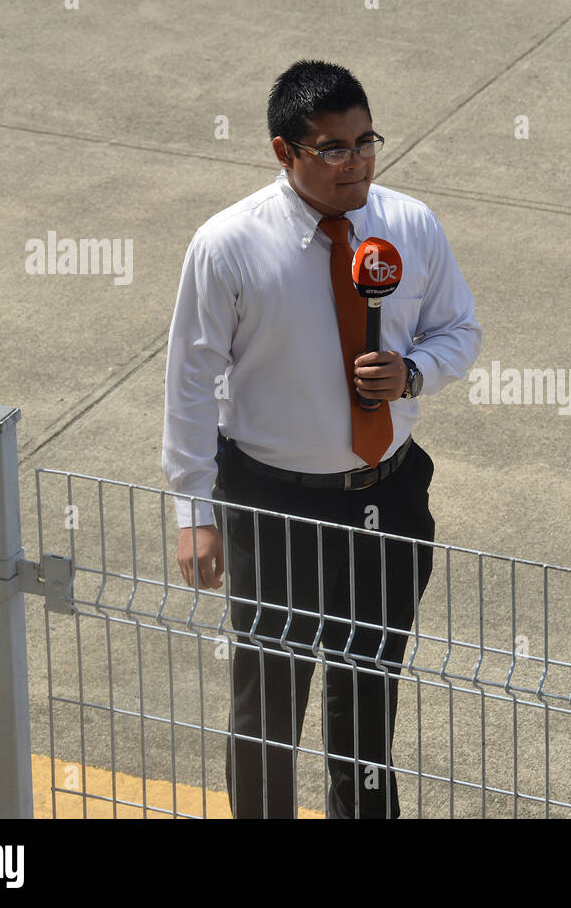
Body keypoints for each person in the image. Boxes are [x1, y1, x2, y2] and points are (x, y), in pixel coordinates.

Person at [161, 60, 481, 818]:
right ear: (284, 153)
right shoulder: (228, 246)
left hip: (390, 496)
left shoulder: (408, 224)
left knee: (370, 688)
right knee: (270, 699)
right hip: (274, 505)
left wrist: (412, 374)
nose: (356, 163)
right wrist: (194, 513)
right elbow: (189, 383)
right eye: (331, 149)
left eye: (365, 141)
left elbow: (459, 330)